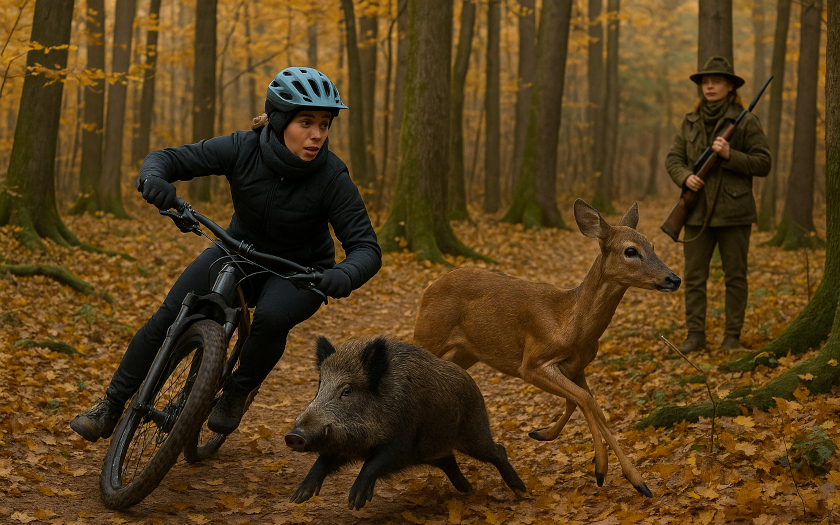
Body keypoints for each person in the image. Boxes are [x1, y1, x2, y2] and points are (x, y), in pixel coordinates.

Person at [71, 67, 382, 441]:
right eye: (306, 122)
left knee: (270, 317)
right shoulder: (242, 147)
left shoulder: (333, 178)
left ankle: (236, 392)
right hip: (237, 250)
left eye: (325, 124)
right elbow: (167, 158)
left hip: (300, 270)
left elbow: (366, 247)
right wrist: (154, 179)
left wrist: (344, 274)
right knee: (168, 317)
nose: (317, 134)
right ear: (281, 120)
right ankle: (110, 404)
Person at [665, 56, 771, 353]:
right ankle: (695, 337)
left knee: (735, 277)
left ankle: (731, 338)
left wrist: (730, 155)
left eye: (716, 81)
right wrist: (685, 177)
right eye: (705, 82)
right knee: (695, 278)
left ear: (730, 87)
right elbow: (673, 159)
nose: (709, 86)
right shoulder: (689, 122)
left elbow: (764, 163)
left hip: (735, 213)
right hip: (696, 212)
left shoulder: (746, 121)